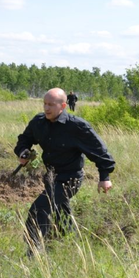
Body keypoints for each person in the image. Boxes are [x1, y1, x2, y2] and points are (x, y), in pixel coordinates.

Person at [15, 88, 115, 255]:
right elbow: (25, 138)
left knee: (39, 209)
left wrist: (104, 177)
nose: (46, 108)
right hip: (51, 176)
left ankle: (33, 253)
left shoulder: (77, 126)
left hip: (71, 179)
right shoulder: (39, 122)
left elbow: (100, 151)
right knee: (62, 212)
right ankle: (69, 245)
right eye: (44, 104)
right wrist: (23, 151)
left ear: (63, 105)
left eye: (51, 105)